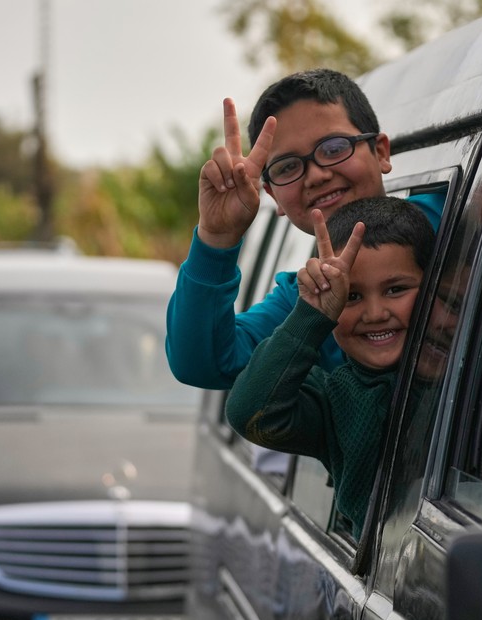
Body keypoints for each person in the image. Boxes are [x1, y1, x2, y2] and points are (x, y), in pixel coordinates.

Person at [166, 69, 445, 391]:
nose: (316, 176)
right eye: (287, 167)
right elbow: (205, 365)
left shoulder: (457, 215)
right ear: (273, 197)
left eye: (334, 148)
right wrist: (216, 238)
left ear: (381, 152)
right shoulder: (308, 299)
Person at [226, 197, 434, 537]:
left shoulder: (464, 369)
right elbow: (249, 412)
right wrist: (313, 315)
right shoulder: (333, 397)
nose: (376, 313)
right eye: (351, 297)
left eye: (396, 289)